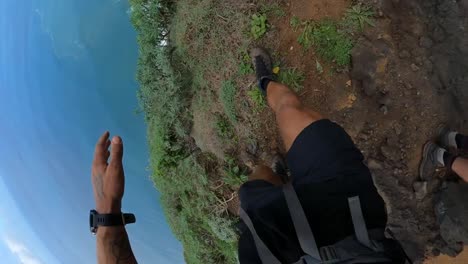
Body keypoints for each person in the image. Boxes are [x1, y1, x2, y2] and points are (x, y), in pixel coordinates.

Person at [90, 48, 407, 263]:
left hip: (274, 239)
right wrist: (107, 219)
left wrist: (107, 217)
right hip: (354, 225)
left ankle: (265, 84)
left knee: (267, 160)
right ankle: (277, 161)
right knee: (293, 117)